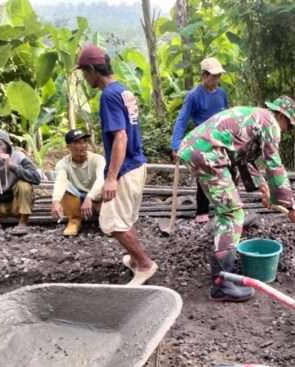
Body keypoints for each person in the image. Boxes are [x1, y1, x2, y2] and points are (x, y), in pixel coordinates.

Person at [178, 96, 295, 302]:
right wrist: (291, 207)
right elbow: (274, 165)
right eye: (288, 126)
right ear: (282, 116)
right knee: (232, 213)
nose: (285, 130)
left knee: (228, 207)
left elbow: (242, 159)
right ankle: (222, 283)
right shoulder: (270, 123)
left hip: (196, 149)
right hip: (207, 154)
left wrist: (264, 188)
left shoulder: (254, 116)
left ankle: (222, 260)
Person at [76, 43, 157, 285]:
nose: (84, 77)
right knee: (126, 218)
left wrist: (111, 178)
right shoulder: (123, 90)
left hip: (126, 168)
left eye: (84, 72)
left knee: (111, 223)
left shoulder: (108, 96)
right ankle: (134, 260)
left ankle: (145, 264)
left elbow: (120, 136)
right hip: (137, 163)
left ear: (92, 70)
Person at [171, 57, 229, 223]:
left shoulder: (221, 93)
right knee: (204, 175)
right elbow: (182, 119)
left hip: (222, 139)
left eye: (219, 76)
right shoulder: (194, 96)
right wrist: (176, 145)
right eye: (214, 76)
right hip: (203, 140)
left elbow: (227, 114)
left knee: (226, 173)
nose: (217, 79)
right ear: (204, 75)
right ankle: (202, 211)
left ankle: (223, 207)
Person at [51, 129, 106, 236]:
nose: (83, 145)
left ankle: (106, 219)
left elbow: (101, 179)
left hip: (96, 195)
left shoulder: (97, 159)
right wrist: (56, 201)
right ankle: (74, 220)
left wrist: (90, 197)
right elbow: (60, 181)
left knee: (107, 185)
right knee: (64, 187)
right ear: (68, 147)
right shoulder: (63, 164)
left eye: (84, 142)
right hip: (77, 196)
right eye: (77, 143)